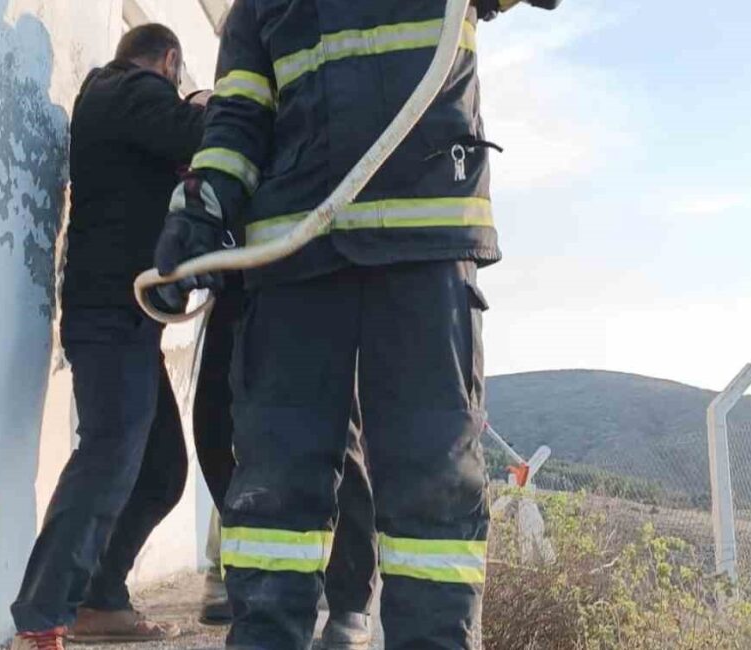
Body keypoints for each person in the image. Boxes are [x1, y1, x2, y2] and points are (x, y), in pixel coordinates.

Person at [152, 0, 563, 648]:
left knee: (431, 489)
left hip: (421, 255)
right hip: (294, 260)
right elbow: (237, 116)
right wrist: (201, 208)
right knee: (274, 495)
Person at [10, 24, 208, 650]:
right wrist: (211, 105)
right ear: (169, 61)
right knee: (107, 460)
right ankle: (42, 616)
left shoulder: (121, 102)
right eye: (179, 81)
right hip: (111, 316)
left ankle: (101, 596)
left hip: (132, 318)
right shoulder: (125, 91)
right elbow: (198, 134)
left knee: (161, 470)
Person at [192, 275, 379, 649]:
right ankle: (241, 572)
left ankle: (351, 602)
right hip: (240, 269)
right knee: (215, 421)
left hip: (324, 270)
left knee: (339, 433)